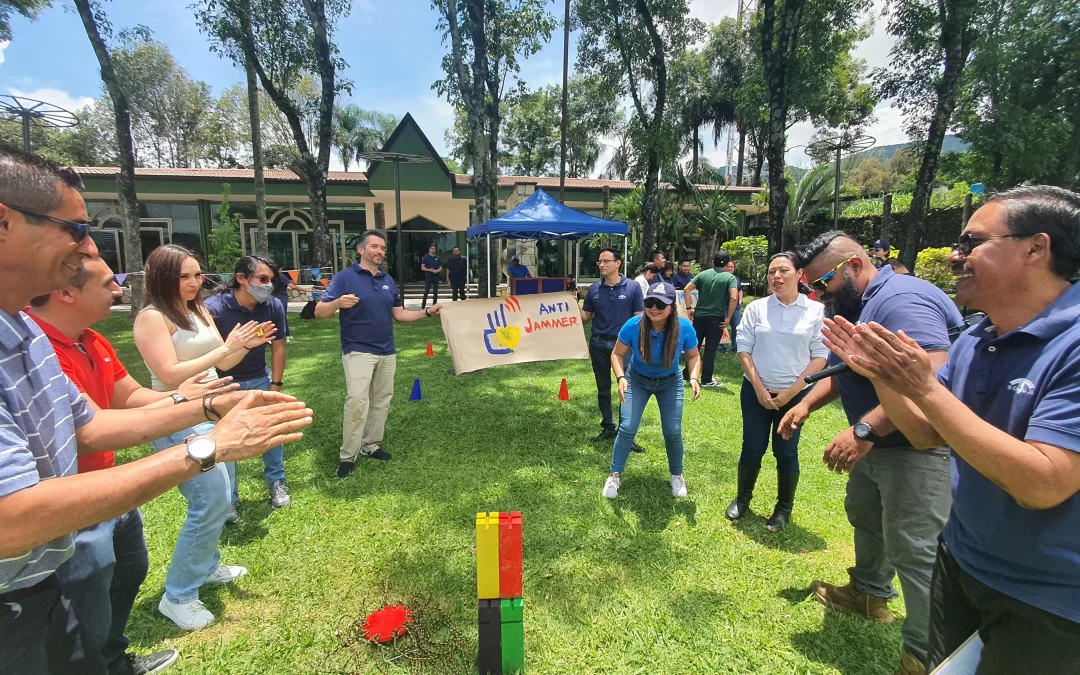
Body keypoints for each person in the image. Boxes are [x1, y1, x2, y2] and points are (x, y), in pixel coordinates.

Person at [0, 145, 311, 672]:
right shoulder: (112, 322)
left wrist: (210, 408)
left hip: (40, 577)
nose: (90, 247)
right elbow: (10, 519)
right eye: (75, 228)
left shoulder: (22, 329)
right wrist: (209, 446)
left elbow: (92, 425)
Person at [820, 186, 1080, 673]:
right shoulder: (979, 337)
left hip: (1047, 602)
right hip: (963, 563)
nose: (954, 256)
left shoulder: (1073, 344)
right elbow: (923, 434)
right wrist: (880, 373)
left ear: (1036, 248)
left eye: (971, 242)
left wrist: (924, 388)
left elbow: (1044, 483)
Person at [26, 258, 240, 674]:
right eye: (109, 283)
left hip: (110, 485)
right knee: (83, 602)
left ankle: (114, 658)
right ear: (66, 292)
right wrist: (196, 408)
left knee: (127, 571)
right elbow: (89, 430)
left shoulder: (92, 341)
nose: (120, 290)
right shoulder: (40, 348)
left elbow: (130, 397)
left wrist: (189, 399)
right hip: (74, 496)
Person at [778, 231, 964, 675]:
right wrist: (804, 404)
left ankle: (927, 655)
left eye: (821, 283)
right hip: (878, 444)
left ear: (855, 266)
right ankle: (869, 594)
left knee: (915, 548)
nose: (817, 294)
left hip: (916, 450)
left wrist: (864, 429)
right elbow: (848, 372)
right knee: (866, 516)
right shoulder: (859, 305)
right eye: (810, 287)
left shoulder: (900, 302)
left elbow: (931, 381)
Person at [134, 244, 281, 631]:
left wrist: (242, 346)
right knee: (210, 500)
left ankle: (209, 564)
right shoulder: (153, 317)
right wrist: (227, 348)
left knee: (220, 493)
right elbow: (169, 374)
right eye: (184, 276)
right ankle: (178, 595)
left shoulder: (197, 310)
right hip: (180, 416)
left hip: (213, 413)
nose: (194, 282)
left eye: (198, 274)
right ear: (162, 277)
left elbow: (222, 360)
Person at [316, 229, 442, 478]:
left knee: (382, 401)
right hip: (358, 352)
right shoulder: (344, 278)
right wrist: (337, 303)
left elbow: (400, 315)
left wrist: (428, 312)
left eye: (383, 248)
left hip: (387, 351)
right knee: (357, 402)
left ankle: (371, 446)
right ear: (361, 250)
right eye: (374, 246)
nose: (380, 252)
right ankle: (347, 457)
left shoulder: (388, 280)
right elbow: (320, 311)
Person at [726, 252, 828, 531]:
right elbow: (743, 348)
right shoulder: (756, 308)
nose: (776, 277)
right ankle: (743, 499)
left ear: (799, 274)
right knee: (753, 447)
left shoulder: (815, 311)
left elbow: (819, 356)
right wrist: (759, 388)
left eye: (783, 270)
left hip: (794, 396)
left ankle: (783, 509)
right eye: (772, 272)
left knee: (786, 451)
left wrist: (790, 393)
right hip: (756, 393)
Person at [205, 256, 291, 511]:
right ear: (241, 279)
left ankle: (277, 482)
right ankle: (229, 498)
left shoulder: (273, 305)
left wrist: (275, 384)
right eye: (262, 279)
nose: (269, 285)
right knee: (226, 441)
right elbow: (217, 358)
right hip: (223, 385)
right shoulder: (214, 308)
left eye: (271, 280)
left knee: (271, 432)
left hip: (260, 379)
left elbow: (278, 347)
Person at [604, 281, 701, 499]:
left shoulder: (684, 327)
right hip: (637, 380)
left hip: (670, 381)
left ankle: (677, 475)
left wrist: (693, 377)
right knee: (627, 427)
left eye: (660, 303)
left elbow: (694, 356)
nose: (654, 308)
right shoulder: (633, 325)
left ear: (671, 307)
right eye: (649, 302)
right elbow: (617, 354)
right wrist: (620, 377)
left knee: (672, 430)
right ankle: (615, 474)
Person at [579, 247, 644, 452]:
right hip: (598, 343)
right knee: (603, 388)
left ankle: (626, 433)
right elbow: (586, 318)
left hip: (623, 346)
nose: (602, 265)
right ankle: (608, 426)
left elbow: (639, 319)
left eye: (606, 261)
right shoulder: (594, 289)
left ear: (618, 263)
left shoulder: (633, 288)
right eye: (600, 261)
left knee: (626, 389)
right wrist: (571, 304)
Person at [682, 251, 739, 388]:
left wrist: (689, 308)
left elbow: (686, 289)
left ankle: (686, 375)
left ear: (713, 261)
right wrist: (728, 318)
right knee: (710, 349)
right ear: (726, 263)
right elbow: (734, 297)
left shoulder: (703, 274)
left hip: (699, 316)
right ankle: (707, 379)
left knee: (694, 346)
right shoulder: (729, 277)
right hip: (716, 318)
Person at [271, 262, 303, 343]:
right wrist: (306, 290)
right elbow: (292, 286)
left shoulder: (270, 277)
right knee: (282, 317)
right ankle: (287, 335)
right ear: (280, 269)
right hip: (281, 299)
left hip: (271, 299)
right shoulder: (281, 276)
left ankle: (273, 336)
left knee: (272, 317)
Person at [718, 259, 745, 353]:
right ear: (725, 267)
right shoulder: (721, 278)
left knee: (736, 326)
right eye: (728, 266)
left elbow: (740, 290)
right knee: (723, 326)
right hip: (724, 306)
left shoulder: (736, 279)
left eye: (732, 267)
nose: (730, 268)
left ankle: (735, 346)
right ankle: (723, 346)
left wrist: (740, 300)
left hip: (735, 307)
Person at [421, 244, 442, 309]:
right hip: (428, 276)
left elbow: (441, 268)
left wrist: (437, 271)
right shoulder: (425, 257)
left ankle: (434, 306)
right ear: (429, 249)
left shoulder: (438, 258)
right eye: (432, 248)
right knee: (426, 291)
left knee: (435, 292)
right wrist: (429, 270)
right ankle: (423, 306)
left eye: (434, 248)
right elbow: (422, 267)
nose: (433, 249)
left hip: (436, 277)